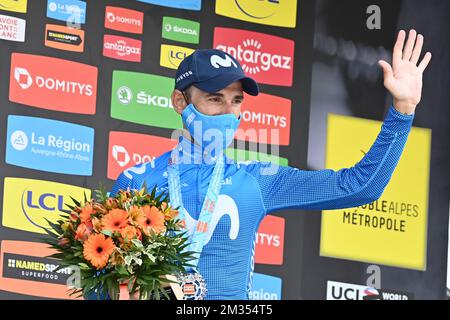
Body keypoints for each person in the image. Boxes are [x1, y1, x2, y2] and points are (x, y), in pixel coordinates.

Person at [110, 29, 432, 300]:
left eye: (236, 101)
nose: (228, 114)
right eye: (214, 99)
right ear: (180, 102)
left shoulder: (258, 180)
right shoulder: (136, 182)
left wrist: (402, 110)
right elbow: (101, 280)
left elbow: (361, 186)